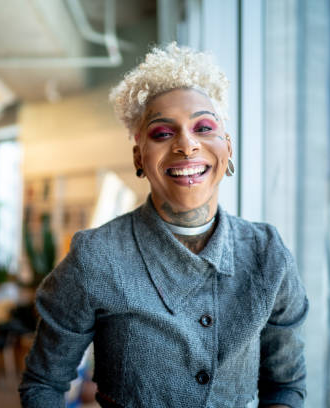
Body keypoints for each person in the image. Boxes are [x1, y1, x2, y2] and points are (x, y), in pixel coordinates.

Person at [19, 43, 309, 408]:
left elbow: (285, 385)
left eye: (204, 127)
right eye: (162, 133)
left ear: (228, 147)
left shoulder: (268, 255)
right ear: (139, 156)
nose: (187, 145)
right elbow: (43, 384)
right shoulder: (95, 258)